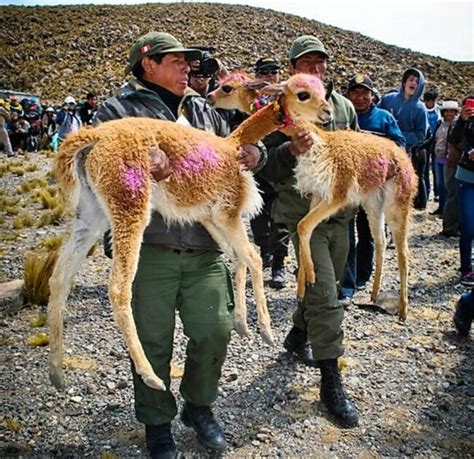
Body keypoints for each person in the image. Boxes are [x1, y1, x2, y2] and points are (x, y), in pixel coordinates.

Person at [94, 31, 264, 458]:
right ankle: (157, 422)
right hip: (151, 245)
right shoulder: (117, 111)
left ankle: (199, 404)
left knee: (214, 330)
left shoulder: (206, 111)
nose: (186, 66)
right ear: (147, 64)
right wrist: (141, 166)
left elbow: (238, 145)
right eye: (175, 60)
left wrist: (253, 156)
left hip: (206, 243)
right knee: (152, 339)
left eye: (188, 61)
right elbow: (103, 172)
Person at [260, 35, 359, 428]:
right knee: (325, 297)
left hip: (340, 215)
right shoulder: (278, 107)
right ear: (292, 69)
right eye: (307, 63)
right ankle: (331, 381)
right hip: (304, 221)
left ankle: (296, 337)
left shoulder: (344, 107)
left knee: (321, 286)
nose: (315, 70)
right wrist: (290, 151)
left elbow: (351, 151)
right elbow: (264, 167)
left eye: (320, 63)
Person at [339, 74, 405, 304]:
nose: (360, 97)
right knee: (345, 232)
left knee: (368, 233)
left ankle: (362, 275)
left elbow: (399, 144)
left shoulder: (384, 118)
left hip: (374, 188)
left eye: (364, 92)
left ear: (372, 95)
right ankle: (346, 285)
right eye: (355, 92)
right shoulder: (342, 116)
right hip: (347, 186)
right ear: (348, 95)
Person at [249, 56, 289, 289]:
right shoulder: (249, 100)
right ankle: (265, 253)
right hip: (256, 169)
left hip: (280, 165)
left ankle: (279, 266)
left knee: (280, 219)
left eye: (273, 72)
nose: (269, 76)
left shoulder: (285, 99)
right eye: (263, 72)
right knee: (257, 215)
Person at [379, 68, 429, 209]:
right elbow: (377, 115)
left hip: (403, 153)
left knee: (396, 187)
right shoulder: (388, 99)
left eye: (417, 81)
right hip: (382, 149)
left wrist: (398, 136)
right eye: (411, 79)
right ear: (404, 82)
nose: (414, 83)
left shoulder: (420, 109)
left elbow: (421, 134)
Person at [448, 95, 474, 287]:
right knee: (469, 224)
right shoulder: (466, 120)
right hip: (466, 177)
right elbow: (454, 139)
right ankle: (467, 269)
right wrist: (463, 121)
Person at [430, 101, 460, 216]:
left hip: (450, 159)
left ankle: (447, 212)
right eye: (447, 111)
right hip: (438, 157)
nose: (449, 114)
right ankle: (441, 208)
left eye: (452, 111)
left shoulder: (457, 125)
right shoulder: (440, 123)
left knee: (448, 186)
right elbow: (435, 138)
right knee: (440, 184)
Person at [423, 89, 442, 200]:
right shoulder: (421, 109)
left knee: (436, 168)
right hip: (426, 141)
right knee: (425, 168)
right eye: (426, 101)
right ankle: (426, 191)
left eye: (430, 101)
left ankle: (437, 192)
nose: (428, 103)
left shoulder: (439, 110)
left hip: (437, 142)